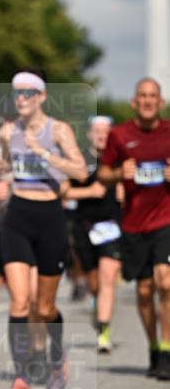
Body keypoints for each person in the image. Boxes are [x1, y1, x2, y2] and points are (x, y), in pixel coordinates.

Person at [0, 71, 87, 389]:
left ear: (41, 96)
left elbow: (81, 171)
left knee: (44, 308)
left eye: (28, 92)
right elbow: (5, 167)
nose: (21, 98)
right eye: (17, 93)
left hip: (51, 220)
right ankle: (22, 378)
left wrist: (45, 154)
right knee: (20, 304)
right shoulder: (8, 131)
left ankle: (57, 359)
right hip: (17, 218)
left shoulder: (58, 130)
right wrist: (0, 170)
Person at [98, 78, 170, 380]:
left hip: (166, 219)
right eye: (142, 95)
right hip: (133, 223)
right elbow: (102, 175)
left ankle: (167, 349)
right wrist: (117, 173)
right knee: (143, 291)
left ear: (161, 102)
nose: (148, 100)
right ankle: (153, 346)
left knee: (165, 283)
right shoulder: (119, 135)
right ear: (134, 102)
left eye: (153, 96)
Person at [64, 116, 122, 353]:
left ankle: (104, 333)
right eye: (97, 131)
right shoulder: (79, 161)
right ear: (89, 135)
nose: (101, 135)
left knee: (108, 279)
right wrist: (89, 191)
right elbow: (64, 193)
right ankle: (98, 308)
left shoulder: (120, 161)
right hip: (84, 228)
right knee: (95, 283)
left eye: (105, 131)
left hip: (112, 228)